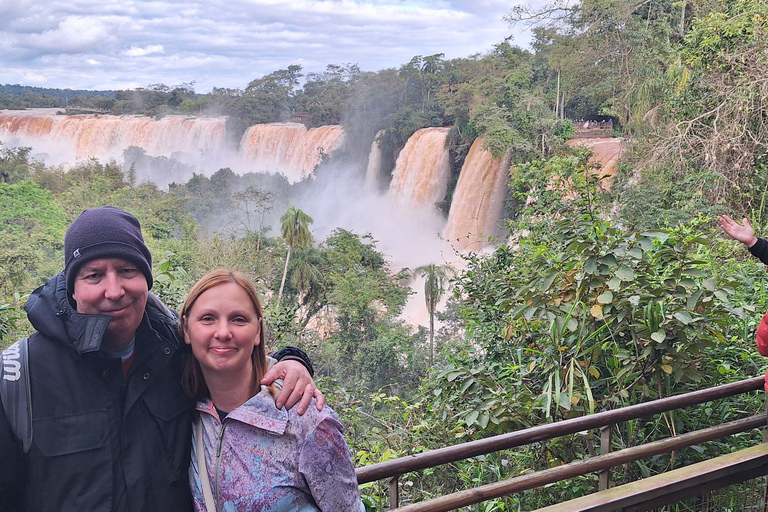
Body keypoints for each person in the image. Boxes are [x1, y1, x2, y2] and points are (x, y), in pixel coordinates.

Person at [0, 206, 320, 512]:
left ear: (147, 280)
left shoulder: (175, 351)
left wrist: (291, 361)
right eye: (94, 275)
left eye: (127, 271)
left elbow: (233, 363)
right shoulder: (20, 379)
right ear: (73, 288)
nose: (114, 290)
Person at [182, 269, 364, 511]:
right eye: (207, 319)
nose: (223, 332)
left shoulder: (305, 419)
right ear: (186, 330)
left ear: (257, 331)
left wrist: (294, 358)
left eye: (238, 319)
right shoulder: (183, 411)